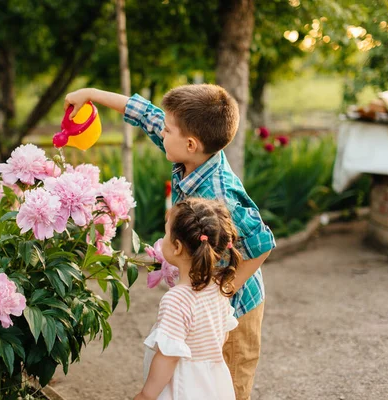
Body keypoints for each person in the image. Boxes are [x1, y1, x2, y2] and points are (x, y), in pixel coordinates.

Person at [65, 84, 275, 399]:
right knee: (193, 377)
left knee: (228, 382)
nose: (160, 132)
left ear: (190, 143)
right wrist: (93, 94)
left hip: (234, 307)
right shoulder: (193, 155)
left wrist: (224, 289)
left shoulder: (218, 191)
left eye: (166, 130)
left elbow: (262, 242)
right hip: (203, 293)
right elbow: (146, 115)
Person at [134, 197, 241, 400]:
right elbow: (222, 335)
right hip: (214, 383)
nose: (162, 238)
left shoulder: (177, 299)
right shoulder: (217, 287)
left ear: (177, 247)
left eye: (165, 233)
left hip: (184, 387)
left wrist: (146, 395)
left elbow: (168, 357)